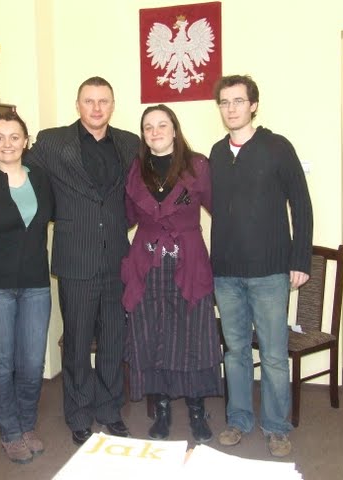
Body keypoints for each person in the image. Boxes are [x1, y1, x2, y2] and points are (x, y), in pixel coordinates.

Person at [27, 76, 140, 446]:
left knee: (113, 339)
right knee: (76, 342)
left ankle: (109, 410)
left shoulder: (129, 143)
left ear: (112, 105)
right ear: (78, 105)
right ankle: (78, 414)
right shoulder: (52, 142)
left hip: (117, 259)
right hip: (76, 258)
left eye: (103, 101)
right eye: (89, 101)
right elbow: (21, 175)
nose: (96, 108)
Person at [209, 75, 313, 457]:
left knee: (272, 354)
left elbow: (301, 205)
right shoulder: (217, 154)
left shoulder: (277, 147)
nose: (231, 108)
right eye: (224, 102)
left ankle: (276, 427)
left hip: (270, 272)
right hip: (227, 274)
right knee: (235, 351)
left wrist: (299, 260)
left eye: (238, 101)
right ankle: (238, 420)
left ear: (253, 105)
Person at [121, 104, 223, 443]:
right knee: (153, 335)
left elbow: (221, 210)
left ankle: (196, 411)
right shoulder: (135, 170)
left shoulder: (198, 165)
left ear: (175, 130)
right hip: (147, 262)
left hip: (189, 261)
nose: (155, 132)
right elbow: (126, 216)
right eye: (148, 127)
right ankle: (162, 411)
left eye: (162, 125)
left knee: (193, 335)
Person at [0, 111, 54, 464]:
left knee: (32, 362)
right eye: (0, 137)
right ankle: (9, 430)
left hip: (36, 284)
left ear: (26, 141)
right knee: (2, 363)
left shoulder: (41, 179)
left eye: (14, 136)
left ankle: (26, 424)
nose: (7, 144)